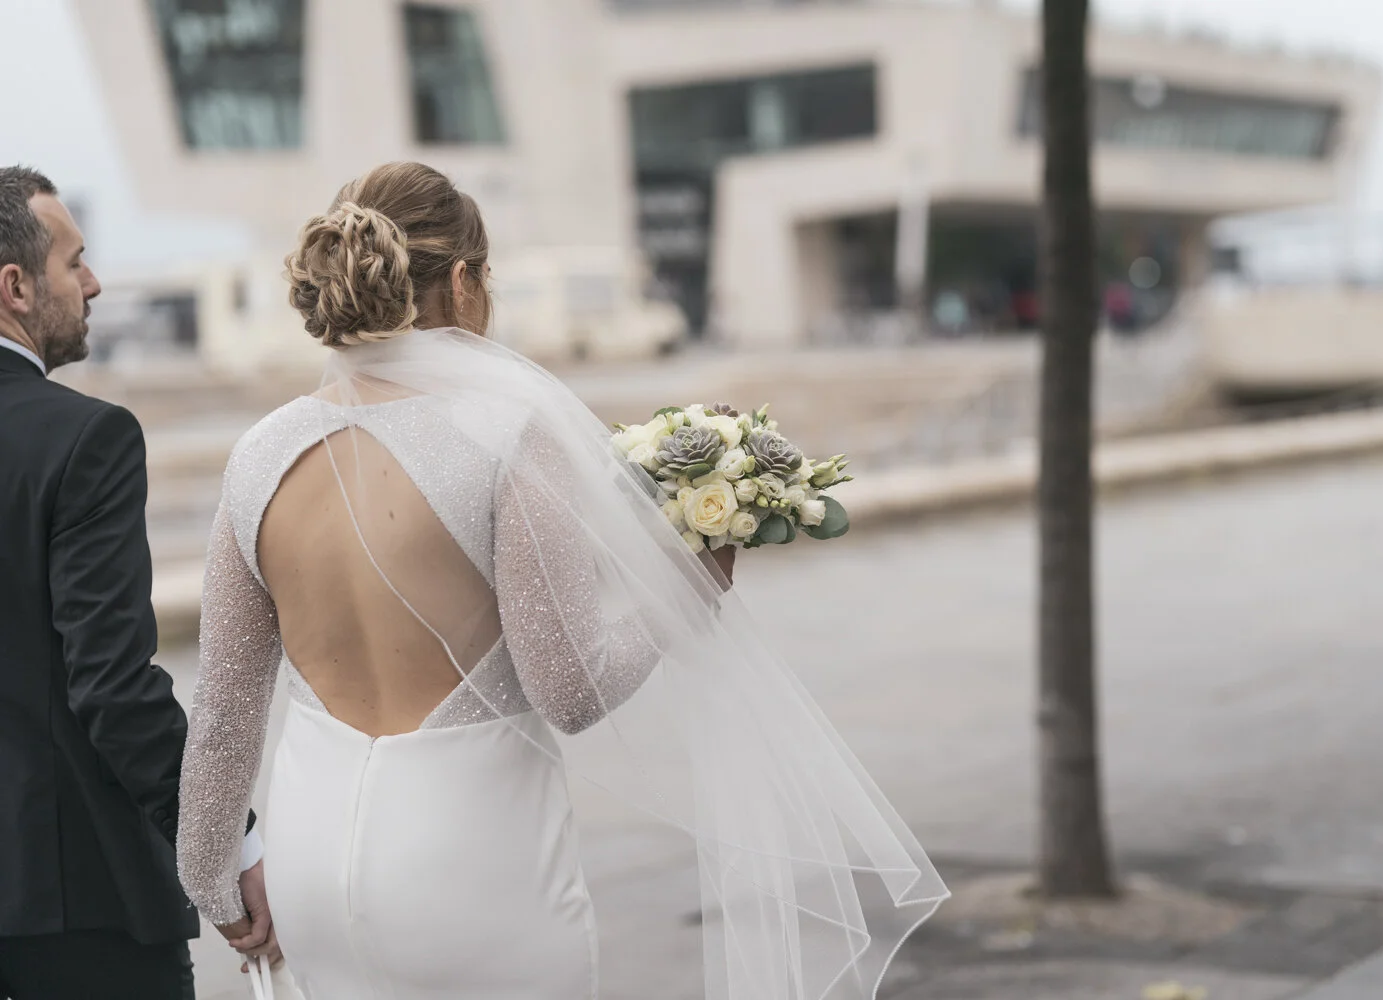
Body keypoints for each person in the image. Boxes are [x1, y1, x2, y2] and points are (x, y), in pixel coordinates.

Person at [178, 161, 947, 998]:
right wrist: (690, 588)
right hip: (470, 866)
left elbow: (221, 717)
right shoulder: (505, 434)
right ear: (465, 283)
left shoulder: (260, 453)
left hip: (309, 861)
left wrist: (215, 883)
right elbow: (571, 689)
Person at [0, 166, 264, 998]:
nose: (93, 282)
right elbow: (113, 689)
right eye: (73, 262)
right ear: (13, 286)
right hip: (70, 902)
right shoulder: (85, 440)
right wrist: (228, 848)